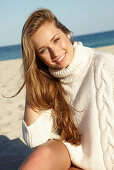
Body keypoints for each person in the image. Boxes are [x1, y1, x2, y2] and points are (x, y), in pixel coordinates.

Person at [18, 8, 114, 170]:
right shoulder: (47, 83)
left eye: (56, 40)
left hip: (105, 162)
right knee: (40, 156)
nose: (54, 53)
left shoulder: (105, 65)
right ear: (38, 58)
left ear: (67, 32)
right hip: (74, 158)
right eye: (43, 50)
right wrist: (33, 80)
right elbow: (36, 141)